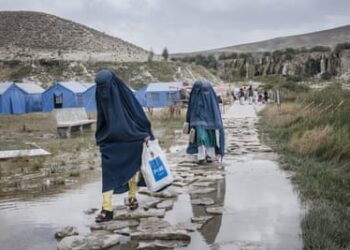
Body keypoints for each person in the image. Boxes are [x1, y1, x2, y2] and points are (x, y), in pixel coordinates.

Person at [94, 69, 154, 223]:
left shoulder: (124, 94)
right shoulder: (102, 94)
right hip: (110, 140)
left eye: (105, 86)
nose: (103, 91)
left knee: (133, 170)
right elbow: (103, 118)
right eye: (100, 87)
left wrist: (144, 133)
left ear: (112, 84)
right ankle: (107, 209)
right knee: (108, 174)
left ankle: (132, 197)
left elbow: (137, 114)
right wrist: (101, 136)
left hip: (131, 137)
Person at [185, 80, 225, 163]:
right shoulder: (196, 95)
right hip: (198, 120)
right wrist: (189, 120)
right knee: (201, 137)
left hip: (210, 120)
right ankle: (201, 156)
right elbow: (190, 108)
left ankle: (209, 155)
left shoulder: (209, 97)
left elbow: (215, 109)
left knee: (210, 138)